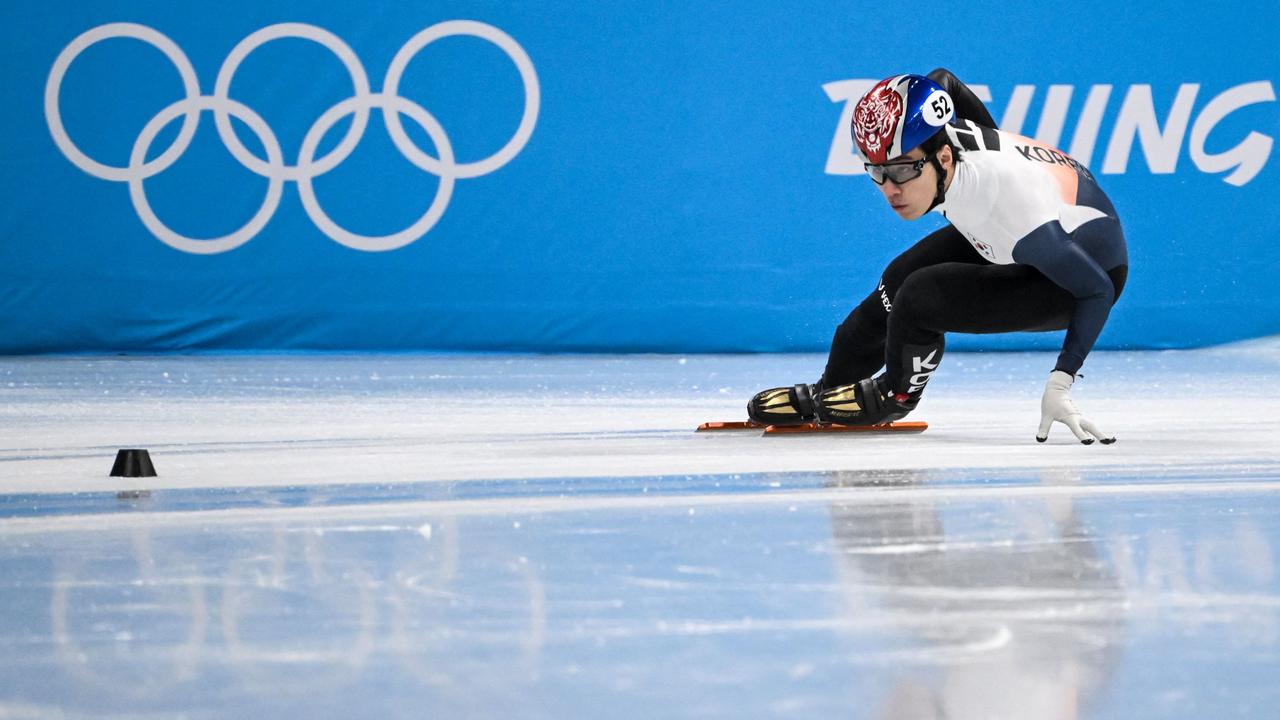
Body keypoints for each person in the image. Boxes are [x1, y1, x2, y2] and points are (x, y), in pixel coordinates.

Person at [747, 69, 1127, 444]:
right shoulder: (937, 135)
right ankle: (828, 390)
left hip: (1073, 279)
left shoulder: (1017, 214)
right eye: (877, 173)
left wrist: (1061, 383)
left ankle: (894, 396)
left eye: (901, 171)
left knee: (920, 296)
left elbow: (1098, 290)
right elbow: (945, 80)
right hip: (1017, 225)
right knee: (895, 282)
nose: (890, 190)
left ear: (944, 158)